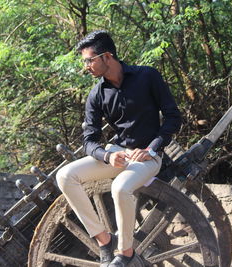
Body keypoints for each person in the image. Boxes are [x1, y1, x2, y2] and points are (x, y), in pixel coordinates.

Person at [56, 30, 181, 267]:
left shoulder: (148, 76)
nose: (86, 66)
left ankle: (125, 253)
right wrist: (107, 155)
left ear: (107, 56)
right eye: (85, 61)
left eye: (89, 60)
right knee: (65, 175)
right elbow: (89, 141)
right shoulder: (96, 95)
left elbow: (173, 117)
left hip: (148, 159)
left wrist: (152, 149)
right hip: (117, 156)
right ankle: (104, 240)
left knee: (120, 188)